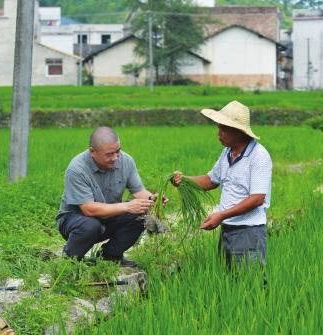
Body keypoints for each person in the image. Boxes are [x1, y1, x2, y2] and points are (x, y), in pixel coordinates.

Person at [172, 101, 272, 269]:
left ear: (239, 132)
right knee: (229, 284)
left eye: (224, 129)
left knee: (251, 284)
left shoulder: (258, 156)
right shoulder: (227, 152)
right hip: (228, 229)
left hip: (248, 232)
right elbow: (211, 180)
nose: (219, 134)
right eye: (218, 128)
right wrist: (185, 180)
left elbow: (257, 198)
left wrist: (221, 215)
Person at [56, 126, 156, 267]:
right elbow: (88, 210)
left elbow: (139, 192)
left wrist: (153, 199)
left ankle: (110, 256)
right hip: (76, 220)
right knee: (90, 225)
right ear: (92, 152)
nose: (115, 158)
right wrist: (127, 206)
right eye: (109, 154)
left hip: (109, 216)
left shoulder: (126, 161)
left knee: (141, 213)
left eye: (118, 151)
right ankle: (70, 260)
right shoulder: (77, 169)